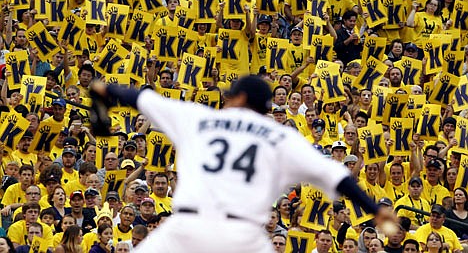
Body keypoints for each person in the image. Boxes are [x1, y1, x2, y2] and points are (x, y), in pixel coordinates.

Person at [90, 75, 394, 253]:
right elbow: (336, 176)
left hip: (185, 231)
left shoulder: (201, 118)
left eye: (230, 95)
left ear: (239, 97)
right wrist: (374, 208)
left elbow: (138, 97)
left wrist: (103, 93)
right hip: (242, 238)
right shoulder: (280, 136)